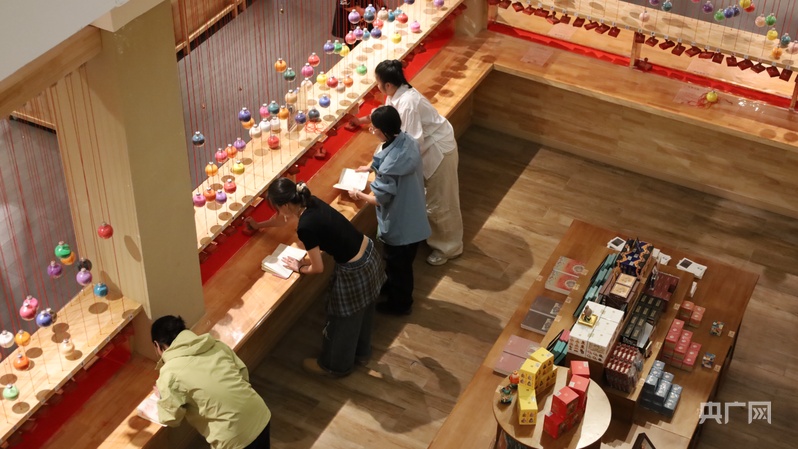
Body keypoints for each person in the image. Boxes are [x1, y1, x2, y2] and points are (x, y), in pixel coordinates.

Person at [245, 179, 384, 376]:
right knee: (363, 312)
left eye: (276, 207)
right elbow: (283, 219)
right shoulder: (310, 202)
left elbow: (317, 268)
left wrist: (300, 267)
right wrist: (258, 225)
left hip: (355, 269)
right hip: (368, 253)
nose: (276, 212)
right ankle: (362, 353)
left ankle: (334, 366)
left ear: (285, 205)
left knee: (342, 320)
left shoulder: (305, 226)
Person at [351, 59, 464, 266]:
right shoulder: (395, 94)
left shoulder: (409, 104)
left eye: (377, 82)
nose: (376, 86)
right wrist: (361, 122)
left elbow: (411, 144)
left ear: (388, 84)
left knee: (440, 202)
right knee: (427, 199)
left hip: (437, 151)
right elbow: (386, 117)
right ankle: (428, 234)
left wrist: (380, 167)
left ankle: (449, 247)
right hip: (424, 150)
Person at [348, 105, 430, 315]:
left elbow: (379, 199)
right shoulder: (408, 140)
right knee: (400, 263)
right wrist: (370, 168)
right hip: (414, 212)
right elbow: (388, 157)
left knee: (399, 265)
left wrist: (359, 194)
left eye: (373, 128)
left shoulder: (390, 166)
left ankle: (401, 304)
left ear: (383, 131)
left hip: (400, 222)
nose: (371, 130)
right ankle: (392, 286)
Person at [152, 316, 271, 449]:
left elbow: (171, 419)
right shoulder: (215, 344)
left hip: (233, 435)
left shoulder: (169, 373)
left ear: (157, 345)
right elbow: (242, 374)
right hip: (259, 413)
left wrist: (162, 397)